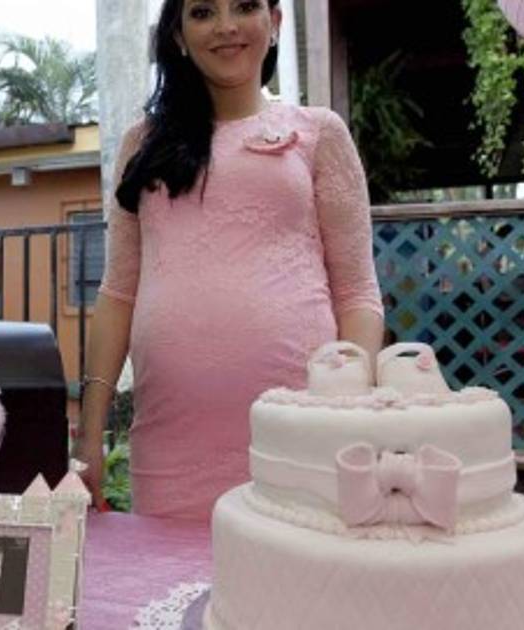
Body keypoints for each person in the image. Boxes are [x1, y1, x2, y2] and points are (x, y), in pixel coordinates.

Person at [74, 0, 384, 521]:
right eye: (202, 12)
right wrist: (88, 435)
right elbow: (117, 294)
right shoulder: (142, 146)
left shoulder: (319, 133)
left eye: (243, 6)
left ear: (274, 22)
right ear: (178, 35)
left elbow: (357, 293)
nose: (225, 27)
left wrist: (346, 409)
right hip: (172, 448)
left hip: (303, 436)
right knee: (168, 574)